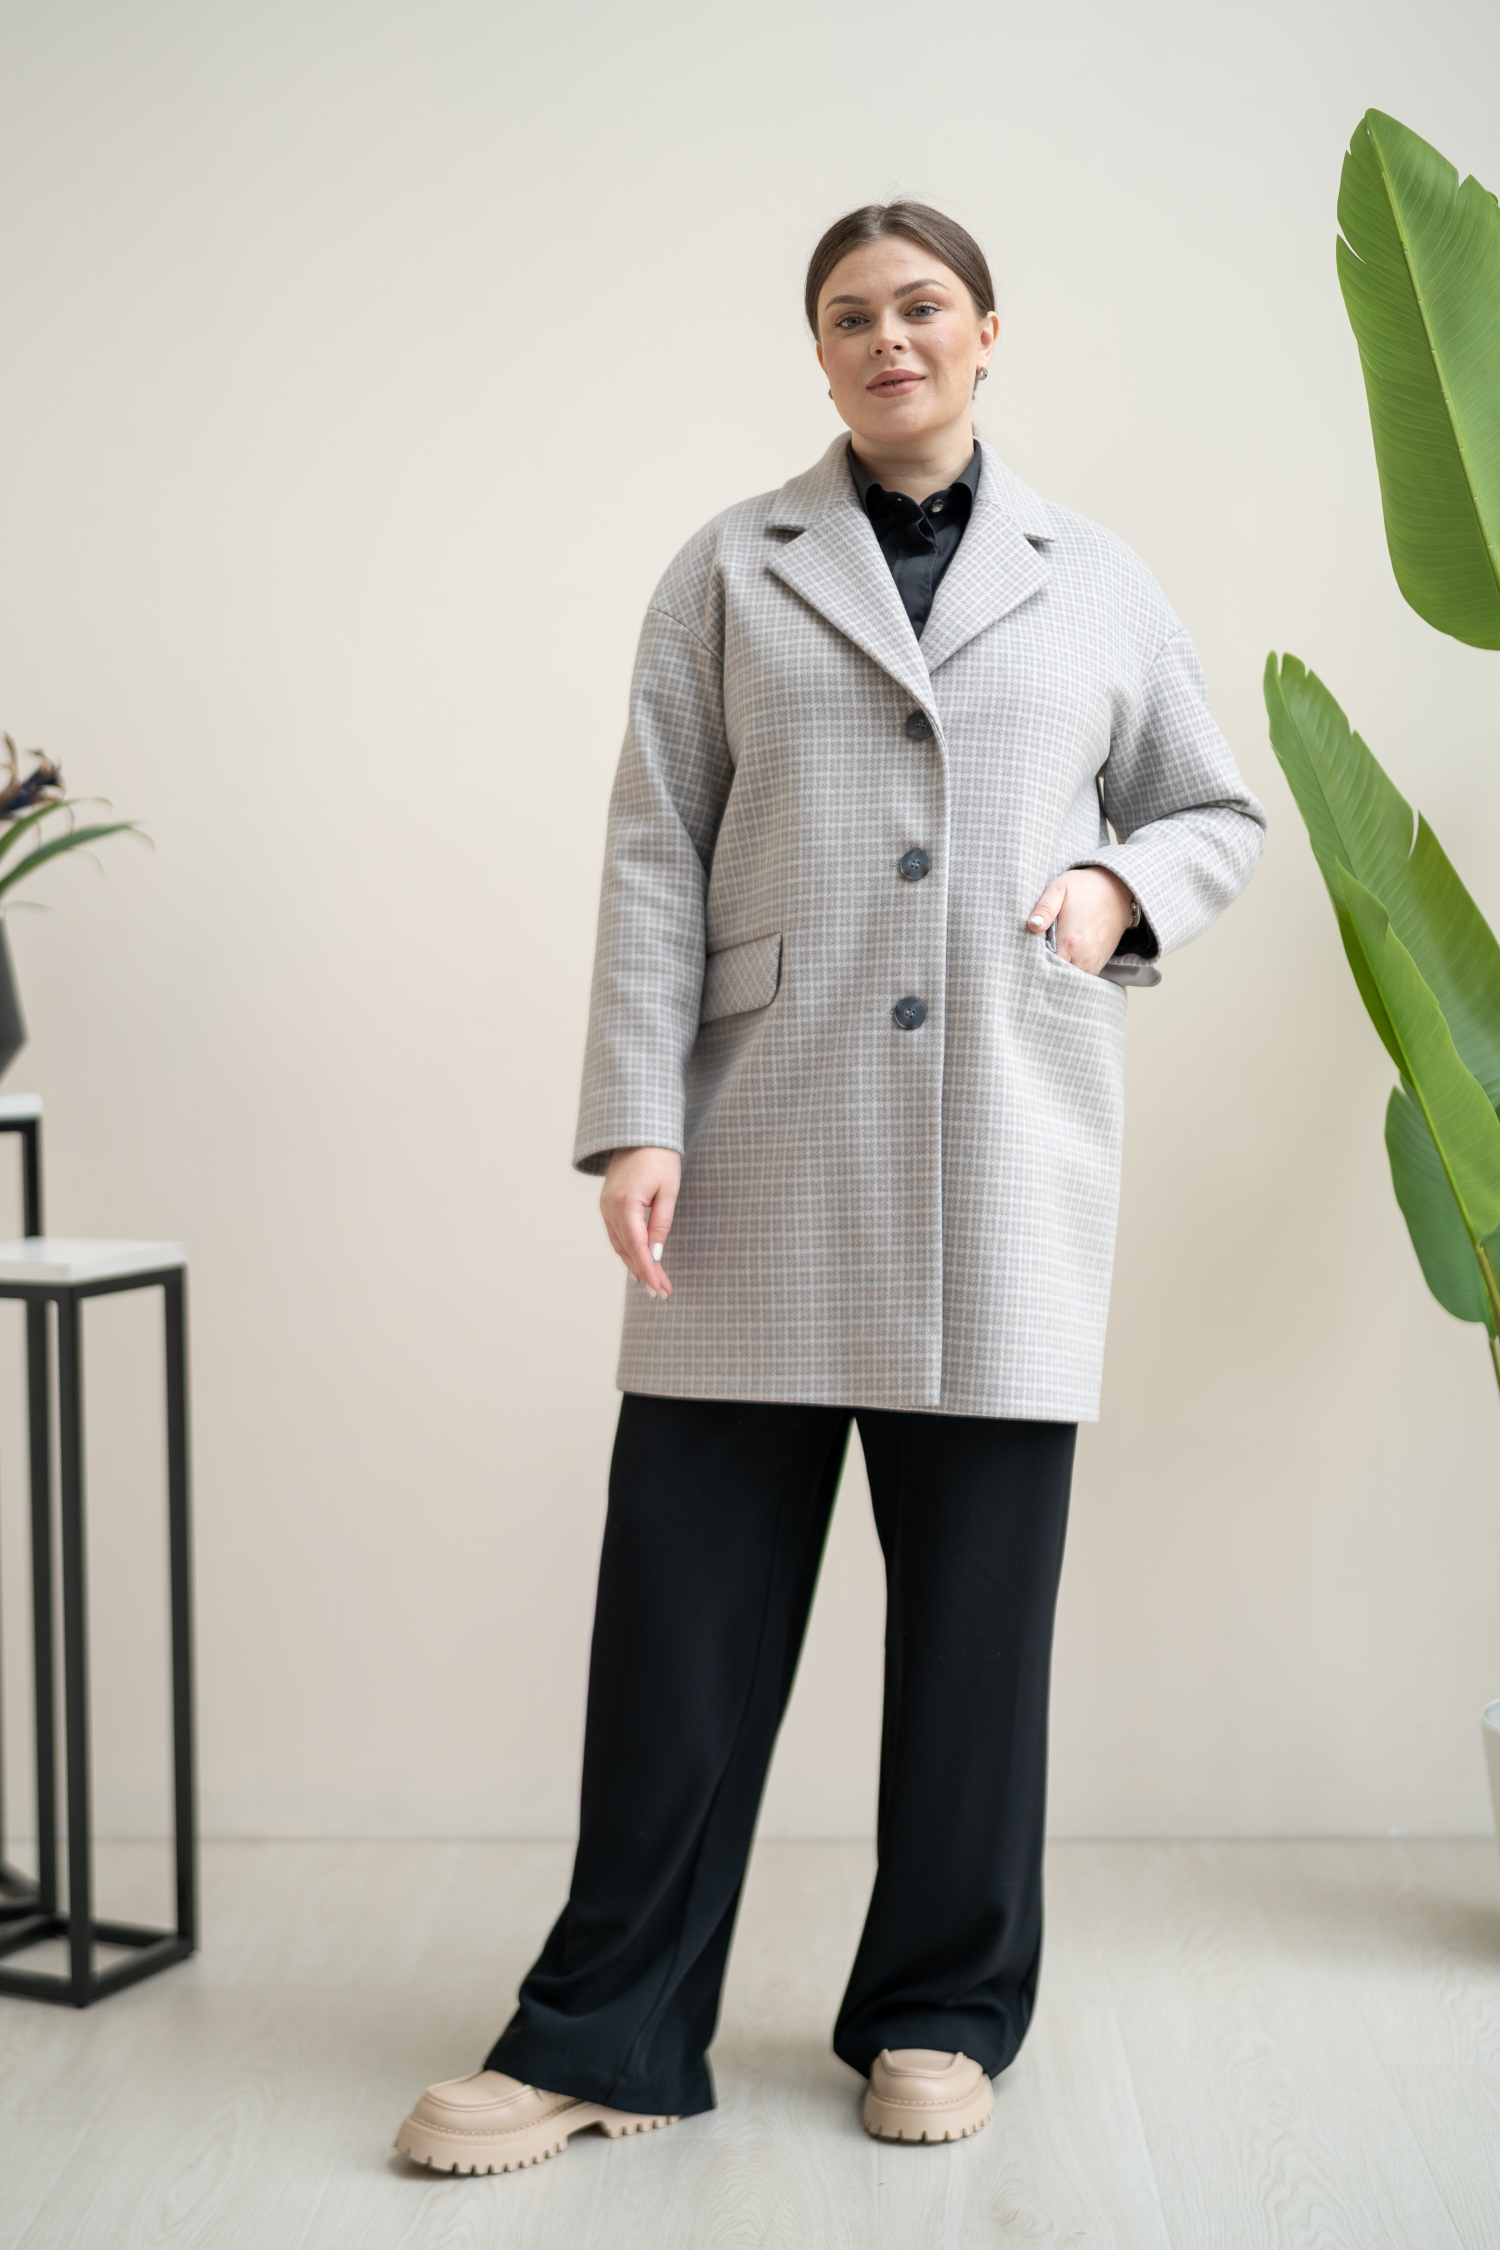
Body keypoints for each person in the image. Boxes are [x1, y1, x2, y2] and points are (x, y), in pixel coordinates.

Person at [396, 200, 1265, 2175]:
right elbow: (654, 848)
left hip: (1004, 1156)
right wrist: (637, 1115)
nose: (892, 338)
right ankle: (606, 2028)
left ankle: (942, 2011)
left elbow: (1213, 806)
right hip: (760, 1145)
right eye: (853, 315)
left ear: (988, 333)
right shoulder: (730, 567)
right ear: (820, 353)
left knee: (978, 1636)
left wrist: (1117, 888)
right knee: (681, 1629)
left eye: (924, 307)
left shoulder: (1098, 581)